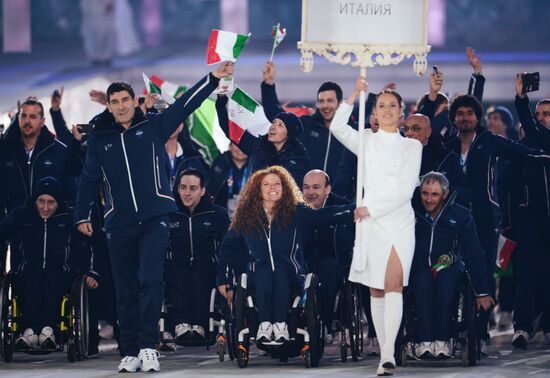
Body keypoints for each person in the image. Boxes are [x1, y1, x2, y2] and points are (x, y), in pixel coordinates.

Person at [74, 62, 234, 373]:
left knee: (149, 279)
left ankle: (148, 347)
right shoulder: (100, 140)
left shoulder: (153, 127)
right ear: (108, 106)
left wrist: (212, 78)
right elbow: (87, 181)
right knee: (125, 288)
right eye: (114, 102)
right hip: (118, 223)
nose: (120, 107)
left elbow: (187, 104)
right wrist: (81, 214)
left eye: (125, 100)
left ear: (134, 102)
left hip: (155, 219)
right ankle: (129, 349)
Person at [329, 77, 423, 376]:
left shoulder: (412, 147)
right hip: (369, 225)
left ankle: (387, 353)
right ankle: (384, 354)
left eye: (391, 106)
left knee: (394, 284)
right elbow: (336, 127)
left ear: (401, 111)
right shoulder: (365, 140)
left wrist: (370, 208)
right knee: (377, 291)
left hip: (397, 222)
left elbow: (407, 190)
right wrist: (355, 92)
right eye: (381, 105)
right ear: (374, 111)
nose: (386, 110)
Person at [216, 166, 354, 343]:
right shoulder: (246, 217)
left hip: (290, 274)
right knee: (264, 271)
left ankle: (281, 325)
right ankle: (264, 325)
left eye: (277, 184)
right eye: (266, 184)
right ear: (258, 189)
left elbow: (326, 215)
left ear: (285, 187)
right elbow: (229, 248)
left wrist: (354, 210)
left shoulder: (296, 213)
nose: (272, 188)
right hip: (258, 275)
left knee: (280, 271)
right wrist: (224, 278)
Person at [0, 177, 97, 350]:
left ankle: (48, 330)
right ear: (35, 201)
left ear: (58, 202)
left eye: (51, 202)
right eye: (41, 202)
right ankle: (28, 331)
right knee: (30, 282)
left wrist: (89, 272)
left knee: (54, 281)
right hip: (27, 270)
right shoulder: (21, 216)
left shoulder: (70, 218)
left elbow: (89, 245)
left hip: (61, 271)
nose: (45, 207)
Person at [411, 172, 494, 359]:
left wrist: (482, 291)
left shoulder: (461, 215)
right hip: (420, 267)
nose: (429, 199)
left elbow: (474, 252)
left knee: (445, 279)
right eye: (425, 193)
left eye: (434, 194)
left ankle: (443, 340)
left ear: (445, 194)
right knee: (422, 280)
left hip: (448, 267)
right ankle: (424, 341)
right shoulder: (411, 212)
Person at [0, 98, 82, 273]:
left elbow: (71, 190)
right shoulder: (6, 152)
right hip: (18, 229)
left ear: (42, 121)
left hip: (53, 230)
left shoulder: (58, 151)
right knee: (21, 284)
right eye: (24, 116)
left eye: (33, 116)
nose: (27, 121)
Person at [165, 169, 229, 344]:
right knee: (178, 272)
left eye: (193, 188)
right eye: (183, 187)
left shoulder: (217, 214)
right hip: (176, 263)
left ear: (202, 190)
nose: (187, 193)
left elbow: (227, 245)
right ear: (177, 189)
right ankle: (181, 324)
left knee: (202, 274)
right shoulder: (169, 212)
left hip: (206, 263)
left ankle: (201, 325)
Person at [512, 74, 550, 348]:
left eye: (547, 114)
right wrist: (522, 99)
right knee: (525, 275)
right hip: (531, 223)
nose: (542, 118)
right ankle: (522, 326)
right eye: (539, 115)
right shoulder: (527, 147)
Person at [261, 61, 348, 180]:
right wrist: (268, 84)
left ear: (340, 103)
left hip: (341, 196)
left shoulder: (350, 130)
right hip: (307, 194)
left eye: (330, 101)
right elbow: (276, 115)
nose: (325, 105)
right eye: (321, 101)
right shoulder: (306, 125)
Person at [215, 95, 310, 187]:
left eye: (280, 125)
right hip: (255, 202)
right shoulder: (256, 146)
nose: (273, 127)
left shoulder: (300, 158)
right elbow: (230, 130)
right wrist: (221, 100)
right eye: (273, 122)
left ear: (289, 134)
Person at [403, 113, 471, 206]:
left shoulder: (447, 157)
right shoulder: (395, 156)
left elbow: (462, 191)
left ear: (428, 132)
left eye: (415, 128)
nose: (409, 133)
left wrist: (439, 193)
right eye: (406, 129)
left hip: (436, 216)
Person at [207, 142, 251, 218]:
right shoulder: (220, 162)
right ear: (229, 147)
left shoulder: (257, 164)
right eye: (236, 145)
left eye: (244, 145)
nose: (240, 149)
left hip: (249, 214)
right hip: (222, 215)